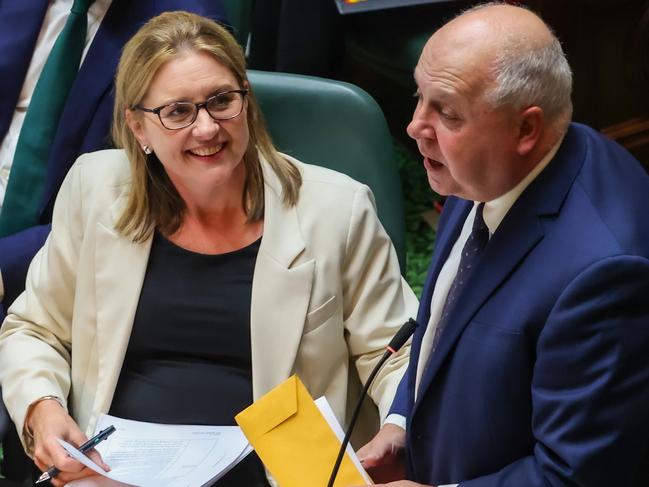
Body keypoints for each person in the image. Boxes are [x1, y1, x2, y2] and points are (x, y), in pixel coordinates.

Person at [0, 10, 417, 487]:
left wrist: (397, 426)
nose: (206, 129)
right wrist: (44, 409)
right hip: (116, 472)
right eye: (177, 111)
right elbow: (34, 329)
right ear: (139, 128)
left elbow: (395, 351)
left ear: (247, 101)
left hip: (276, 471)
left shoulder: (337, 210)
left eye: (222, 101)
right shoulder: (94, 188)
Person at [356, 2, 649, 487]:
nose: (414, 126)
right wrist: (401, 423)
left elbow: (573, 477)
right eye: (419, 97)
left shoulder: (605, 275)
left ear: (526, 129)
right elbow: (441, 328)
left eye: (445, 111)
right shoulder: (482, 170)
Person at [0, 1, 228, 482]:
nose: (207, 121)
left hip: (48, 252)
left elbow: (132, 196)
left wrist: (3, 268)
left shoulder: (183, 25)